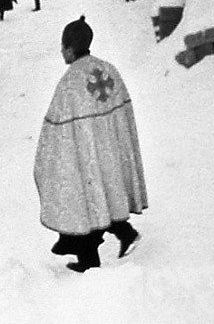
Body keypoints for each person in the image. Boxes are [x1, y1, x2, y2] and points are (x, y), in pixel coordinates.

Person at [34, 16, 148, 273]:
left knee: (85, 200)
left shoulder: (70, 82)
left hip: (86, 154)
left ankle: (89, 262)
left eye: (62, 47)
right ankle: (124, 232)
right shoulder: (109, 69)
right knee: (106, 194)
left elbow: (55, 127)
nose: (61, 52)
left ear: (70, 49)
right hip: (110, 150)